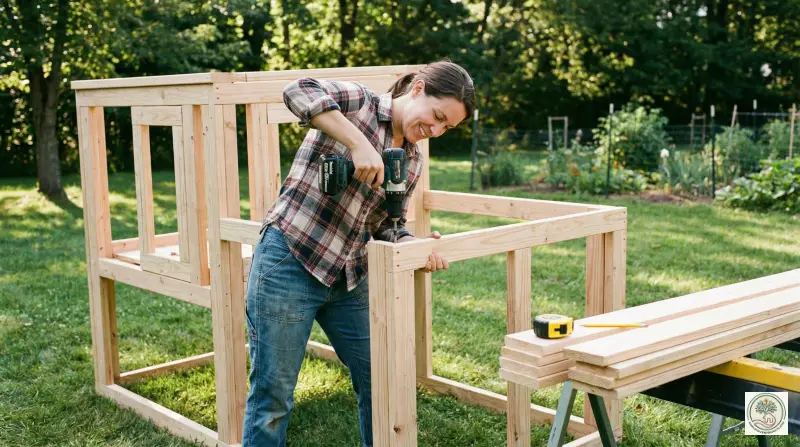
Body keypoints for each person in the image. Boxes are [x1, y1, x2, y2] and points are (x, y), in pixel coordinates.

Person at [242, 60, 476, 447]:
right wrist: (359, 143)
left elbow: (386, 225)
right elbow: (298, 90)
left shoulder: (412, 159)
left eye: (446, 127)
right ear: (417, 88)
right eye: (436, 116)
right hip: (289, 262)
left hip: (348, 278)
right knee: (273, 399)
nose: (435, 130)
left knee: (380, 381)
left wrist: (413, 244)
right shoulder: (360, 104)